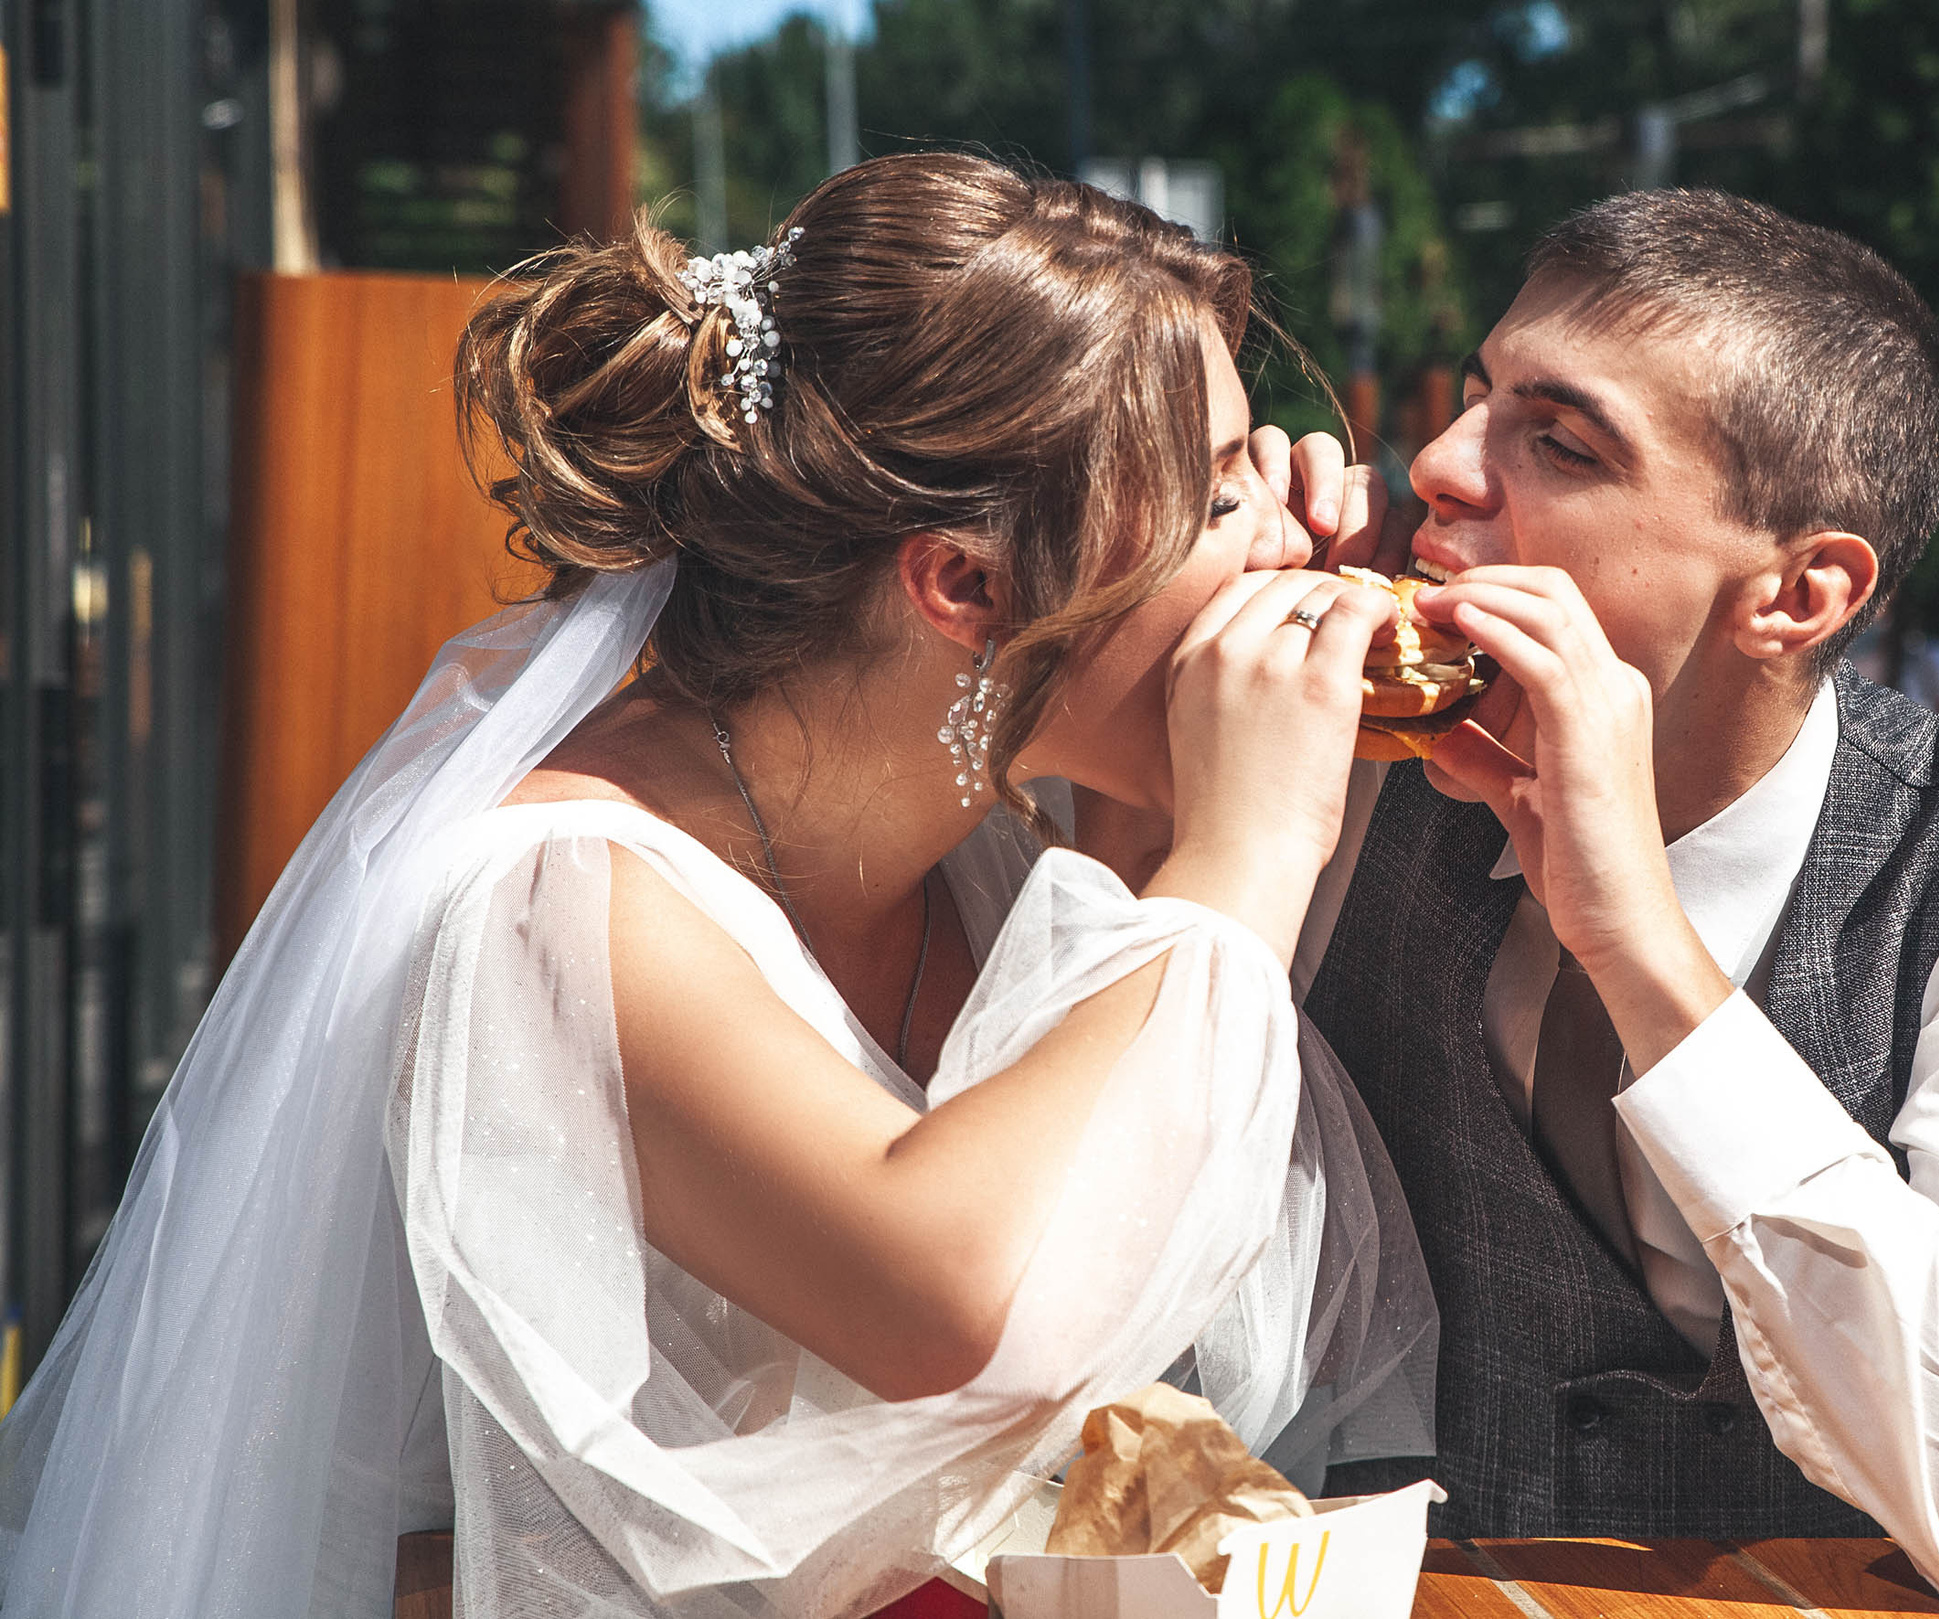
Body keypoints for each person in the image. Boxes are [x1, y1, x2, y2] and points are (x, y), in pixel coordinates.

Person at [0, 154, 1433, 1619]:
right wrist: (1249, 849)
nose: (1283, 544)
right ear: (967, 585)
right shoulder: (556, 904)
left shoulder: (1006, 829)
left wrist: (1237, 793)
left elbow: (1138, 1202)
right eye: (1216, 496)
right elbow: (961, 1315)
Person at [1295, 189, 1939, 1610]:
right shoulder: (1332, 751)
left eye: (1560, 442)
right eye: (1475, 398)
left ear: (1799, 595)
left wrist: (1642, 951)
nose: (1441, 466)